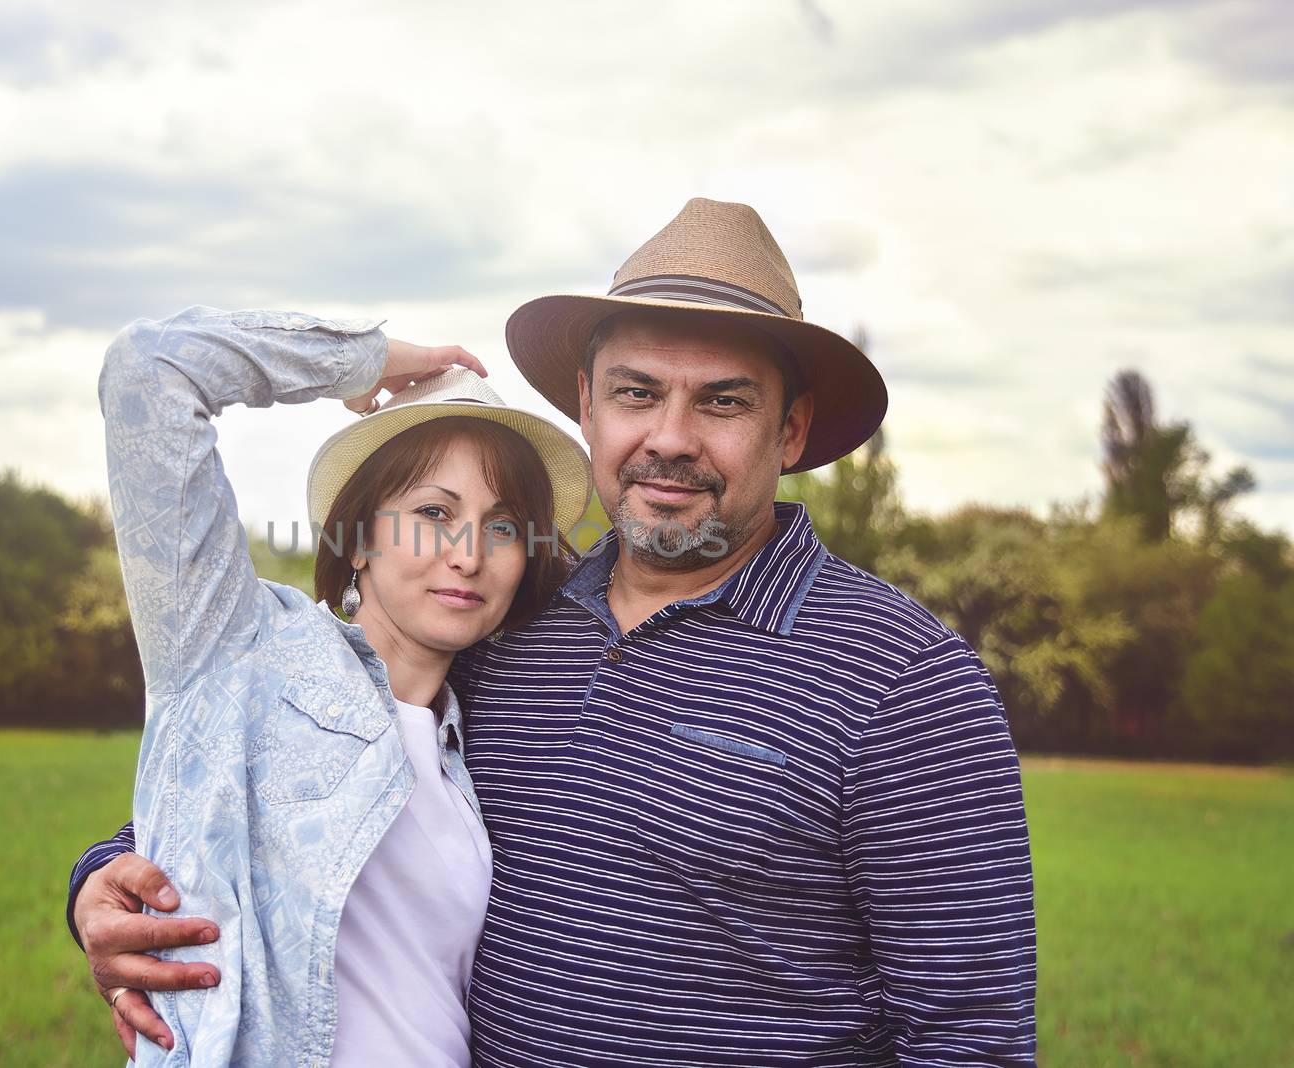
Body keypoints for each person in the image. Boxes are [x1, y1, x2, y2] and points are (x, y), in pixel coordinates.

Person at [70, 200, 1038, 1066]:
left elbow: (969, 1037)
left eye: (723, 401)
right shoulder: (509, 620)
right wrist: (105, 887)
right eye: (634, 392)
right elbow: (273, 775)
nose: (669, 436)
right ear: (585, 405)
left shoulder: (903, 679)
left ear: (789, 432)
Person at [85, 304, 592, 1066]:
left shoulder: (476, 733)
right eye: (433, 512)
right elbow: (149, 369)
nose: (467, 554)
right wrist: (370, 357)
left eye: (503, 526)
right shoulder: (237, 648)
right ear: (356, 539)